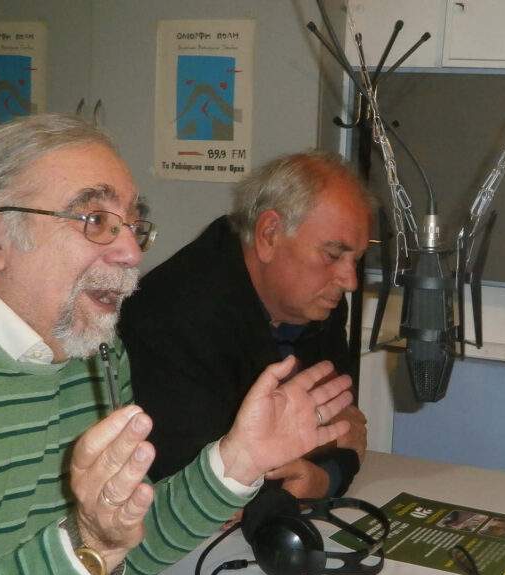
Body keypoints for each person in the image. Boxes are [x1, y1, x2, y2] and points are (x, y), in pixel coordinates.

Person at [0, 114, 353, 575]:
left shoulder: (90, 346)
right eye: (95, 219)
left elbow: (126, 551)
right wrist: (89, 545)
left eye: (133, 225)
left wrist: (236, 462)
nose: (133, 253)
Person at [119, 151, 371, 499]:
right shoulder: (174, 315)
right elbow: (206, 481)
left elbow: (345, 424)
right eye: (333, 254)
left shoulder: (315, 302)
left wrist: (324, 467)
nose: (349, 281)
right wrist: (329, 472)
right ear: (269, 234)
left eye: (355, 259)